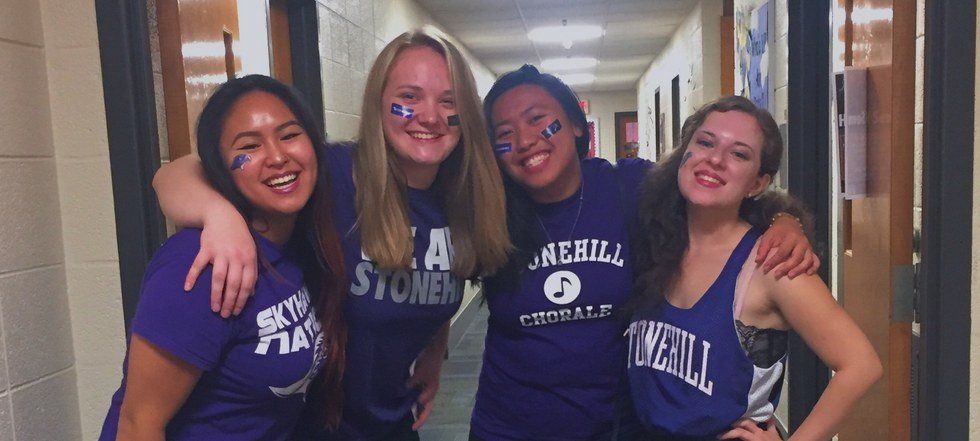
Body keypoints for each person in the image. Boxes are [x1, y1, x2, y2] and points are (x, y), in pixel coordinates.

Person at [150, 30, 510, 440]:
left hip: (392, 422)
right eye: (409, 97)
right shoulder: (334, 174)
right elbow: (172, 175)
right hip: (314, 427)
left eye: (449, 101)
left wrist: (433, 350)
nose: (430, 116)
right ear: (378, 104)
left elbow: (434, 280)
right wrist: (219, 215)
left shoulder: (466, 197)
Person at [470, 65, 820, 441]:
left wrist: (786, 220)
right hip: (509, 427)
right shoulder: (485, 210)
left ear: (575, 125)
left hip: (617, 426)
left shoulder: (630, 186)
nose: (524, 140)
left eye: (538, 120)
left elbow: (717, 193)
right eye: (504, 134)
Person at [99, 74, 347, 440]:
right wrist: (218, 212)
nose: (278, 157)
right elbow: (138, 424)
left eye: (289, 135)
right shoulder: (200, 263)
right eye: (249, 146)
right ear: (219, 168)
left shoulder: (297, 248)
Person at [626, 95, 881, 440]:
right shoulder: (653, 241)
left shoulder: (769, 260)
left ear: (758, 183)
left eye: (739, 154)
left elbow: (861, 365)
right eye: (705, 142)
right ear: (684, 152)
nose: (715, 159)